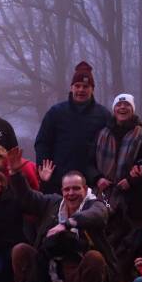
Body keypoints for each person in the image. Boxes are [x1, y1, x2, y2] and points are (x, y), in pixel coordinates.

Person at [5, 147, 117, 282]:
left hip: (79, 274)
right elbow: (28, 198)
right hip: (50, 269)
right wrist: (16, 173)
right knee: (21, 250)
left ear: (85, 189)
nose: (71, 193)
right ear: (61, 190)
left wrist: (68, 224)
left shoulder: (95, 204)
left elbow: (98, 215)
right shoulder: (52, 203)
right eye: (67, 189)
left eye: (76, 188)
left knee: (95, 257)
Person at [34, 61, 111, 193]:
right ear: (71, 88)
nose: (81, 90)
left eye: (86, 86)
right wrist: (44, 168)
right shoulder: (56, 112)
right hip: (58, 182)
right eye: (77, 86)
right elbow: (42, 142)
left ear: (92, 89)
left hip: (91, 183)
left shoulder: (103, 115)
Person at [91, 94, 142, 225]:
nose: (122, 107)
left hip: (132, 197)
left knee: (133, 237)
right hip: (102, 194)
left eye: (127, 104)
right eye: (118, 104)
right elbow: (88, 161)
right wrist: (97, 178)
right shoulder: (101, 133)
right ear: (114, 109)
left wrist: (131, 181)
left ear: (132, 109)